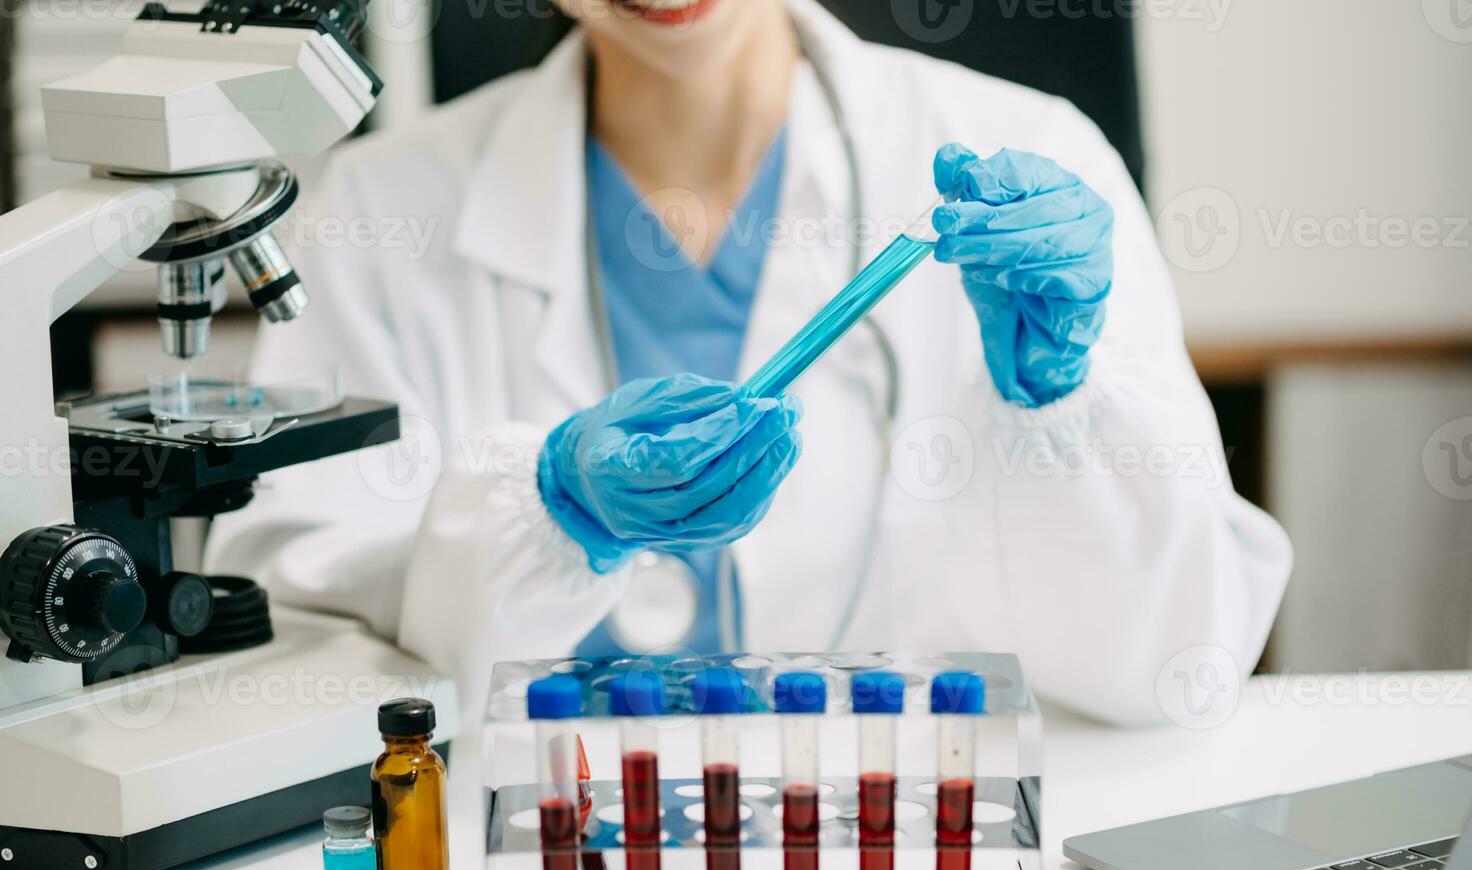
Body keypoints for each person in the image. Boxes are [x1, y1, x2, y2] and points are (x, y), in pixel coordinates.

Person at [208, 0, 1292, 725]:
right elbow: (288, 652)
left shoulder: (1033, 157)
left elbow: (1172, 660)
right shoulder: (371, 215)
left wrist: (1057, 412)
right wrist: (532, 518)